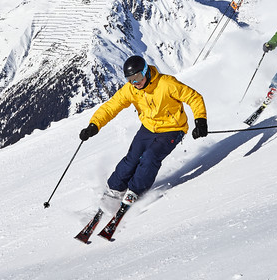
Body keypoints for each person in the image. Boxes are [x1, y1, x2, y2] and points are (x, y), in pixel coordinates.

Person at [79, 55, 208, 211]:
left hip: (172, 129)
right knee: (131, 159)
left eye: (138, 77)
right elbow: (111, 107)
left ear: (146, 71)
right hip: (148, 128)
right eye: (130, 79)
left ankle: (135, 191)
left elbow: (193, 97)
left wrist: (200, 120)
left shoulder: (166, 84)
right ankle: (114, 189)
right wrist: (94, 125)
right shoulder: (131, 89)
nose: (135, 82)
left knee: (150, 157)